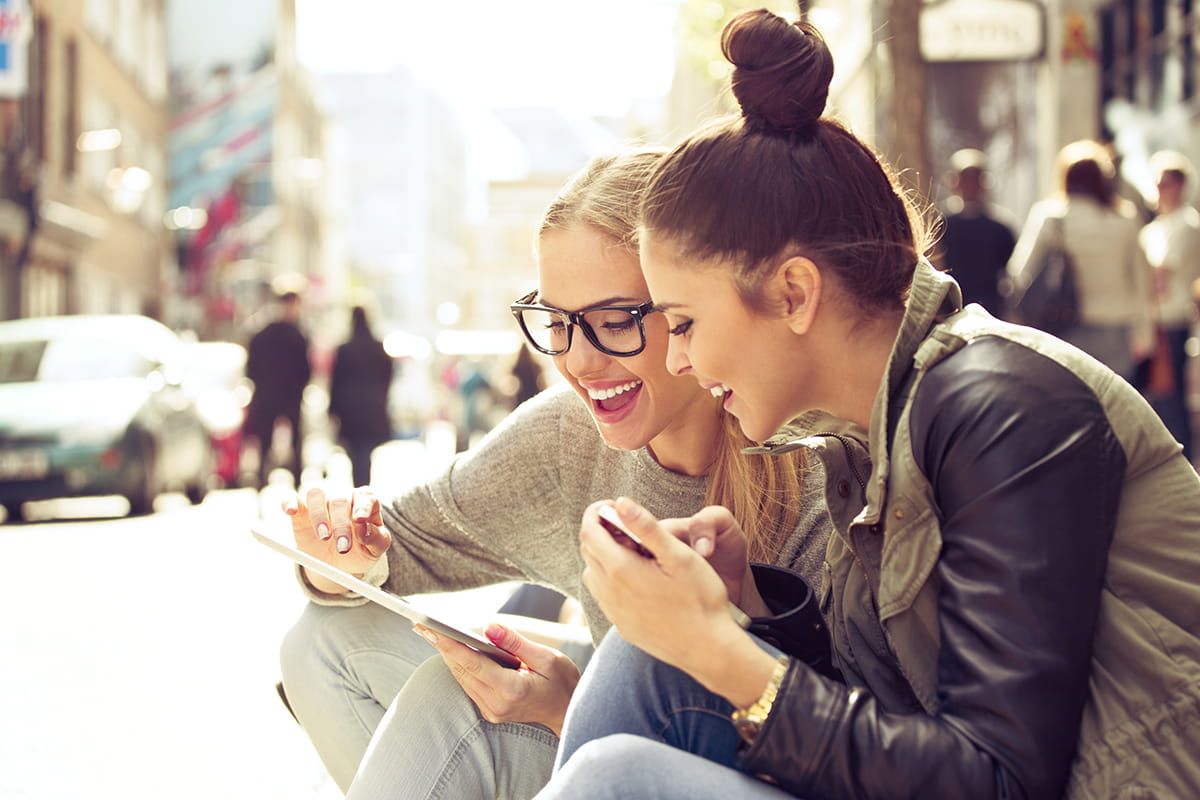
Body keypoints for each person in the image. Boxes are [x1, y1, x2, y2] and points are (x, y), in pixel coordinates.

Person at [537, 10, 1200, 799]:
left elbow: (1000, 779)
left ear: (792, 292)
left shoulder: (1004, 407)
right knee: (644, 660)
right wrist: (749, 603)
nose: (677, 357)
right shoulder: (868, 435)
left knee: (618, 778)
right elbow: (889, 715)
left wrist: (717, 645)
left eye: (682, 322)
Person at [276, 149, 833, 798]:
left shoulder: (812, 463)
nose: (580, 361)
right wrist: (338, 551)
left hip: (738, 772)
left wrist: (572, 709)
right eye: (558, 323)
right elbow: (396, 546)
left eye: (614, 320)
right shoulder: (566, 435)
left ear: (689, 308)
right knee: (328, 644)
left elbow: (843, 750)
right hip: (610, 747)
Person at [1008, 139, 1154, 382]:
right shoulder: (1125, 220)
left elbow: (1019, 271)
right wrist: (1145, 338)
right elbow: (1142, 283)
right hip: (1116, 328)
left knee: (1073, 404)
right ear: (1103, 179)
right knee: (1114, 406)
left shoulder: (1051, 217)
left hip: (1064, 326)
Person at [1139, 150, 1200, 462]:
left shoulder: (1188, 225)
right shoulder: (1153, 228)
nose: (1163, 190)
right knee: (1155, 394)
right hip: (1148, 319)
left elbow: (1160, 272)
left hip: (1172, 317)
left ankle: (1183, 459)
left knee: (1172, 393)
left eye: (1169, 184)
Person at [244, 287, 311, 487]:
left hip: (270, 395)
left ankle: (263, 480)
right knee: (290, 441)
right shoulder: (296, 335)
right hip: (285, 396)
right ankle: (291, 481)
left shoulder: (261, 335)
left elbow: (251, 369)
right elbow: (305, 370)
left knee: (269, 441)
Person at [936, 148, 1016, 318]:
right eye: (965, 180)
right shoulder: (942, 225)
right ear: (954, 183)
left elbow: (1011, 272)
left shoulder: (1000, 229)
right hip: (953, 309)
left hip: (991, 310)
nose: (969, 187)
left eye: (974, 180)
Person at [328, 304, 394, 486]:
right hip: (373, 407)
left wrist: (333, 409)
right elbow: (388, 377)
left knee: (356, 452)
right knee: (365, 452)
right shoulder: (378, 348)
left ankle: (360, 488)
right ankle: (363, 488)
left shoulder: (345, 349)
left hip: (350, 410)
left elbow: (336, 381)